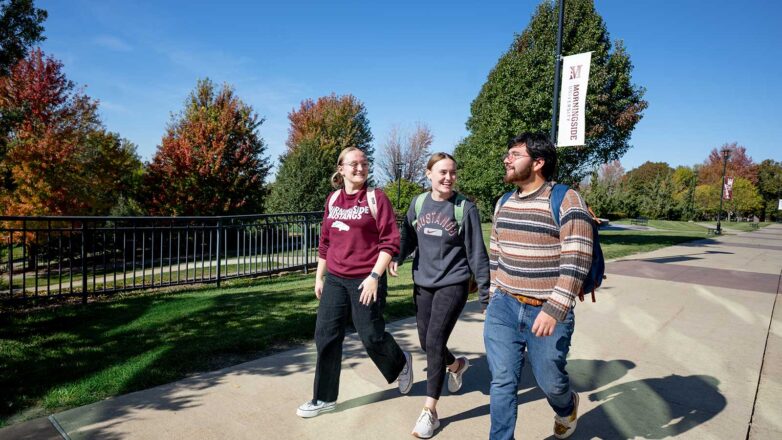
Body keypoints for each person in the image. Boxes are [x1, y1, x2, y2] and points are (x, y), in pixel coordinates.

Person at [484, 133, 594, 440]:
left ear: (538, 162)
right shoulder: (503, 202)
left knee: (551, 382)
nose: (507, 159)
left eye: (515, 154)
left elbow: (578, 255)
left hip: (546, 312)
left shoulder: (566, 198)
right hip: (504, 306)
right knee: (502, 380)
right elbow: (496, 253)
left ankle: (566, 406)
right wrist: (494, 295)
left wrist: (555, 308)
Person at [297, 147, 413, 418]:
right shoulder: (333, 199)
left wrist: (375, 277)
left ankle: (400, 362)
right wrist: (319, 276)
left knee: (371, 336)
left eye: (364, 163)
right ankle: (324, 398)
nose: (360, 168)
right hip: (336, 279)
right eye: (353, 164)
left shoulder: (376, 198)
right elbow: (325, 242)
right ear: (341, 169)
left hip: (366, 278)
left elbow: (389, 242)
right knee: (325, 336)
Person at [389, 152, 490, 438]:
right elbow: (407, 233)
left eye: (453, 173)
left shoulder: (464, 208)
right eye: (443, 172)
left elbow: (477, 253)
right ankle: (456, 365)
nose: (448, 178)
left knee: (433, 341)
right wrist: (398, 255)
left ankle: (429, 412)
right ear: (429, 174)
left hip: (453, 282)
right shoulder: (418, 203)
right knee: (426, 341)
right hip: (423, 281)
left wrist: (485, 295)